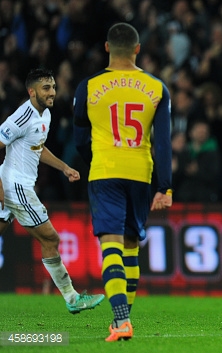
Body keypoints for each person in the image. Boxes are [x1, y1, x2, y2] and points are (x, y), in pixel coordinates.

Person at [73, 23, 172, 342]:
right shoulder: (156, 87)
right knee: (130, 246)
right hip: (140, 172)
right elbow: (164, 142)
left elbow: (79, 138)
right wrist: (165, 186)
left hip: (105, 170)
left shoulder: (88, 86)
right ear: (137, 49)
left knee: (111, 244)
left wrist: (96, 161)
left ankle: (121, 320)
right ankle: (123, 320)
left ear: (106, 48)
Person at [0, 68, 105, 314]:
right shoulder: (21, 117)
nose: (52, 92)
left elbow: (37, 147)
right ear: (32, 91)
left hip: (12, 183)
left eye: (54, 87)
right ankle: (72, 298)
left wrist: (64, 167)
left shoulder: (44, 114)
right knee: (50, 238)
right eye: (46, 88)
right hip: (16, 187)